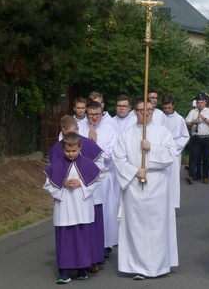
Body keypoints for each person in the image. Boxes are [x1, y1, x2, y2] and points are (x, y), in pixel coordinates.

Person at [112, 98, 178, 280]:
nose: (147, 113)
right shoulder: (126, 134)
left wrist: (152, 148)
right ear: (135, 112)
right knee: (137, 227)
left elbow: (171, 155)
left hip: (157, 186)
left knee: (157, 227)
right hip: (135, 186)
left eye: (149, 109)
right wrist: (134, 171)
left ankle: (158, 265)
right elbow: (118, 158)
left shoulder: (162, 132)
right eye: (142, 110)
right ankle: (138, 266)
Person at [43, 132, 103, 284]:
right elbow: (48, 184)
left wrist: (81, 184)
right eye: (68, 151)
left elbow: (96, 181)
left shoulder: (88, 164)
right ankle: (64, 272)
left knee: (82, 239)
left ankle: (82, 270)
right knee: (65, 241)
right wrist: (61, 184)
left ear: (80, 147)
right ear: (63, 148)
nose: (71, 154)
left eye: (74, 151)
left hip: (82, 207)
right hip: (65, 208)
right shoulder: (56, 165)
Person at [81, 101, 119, 259]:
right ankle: (87, 244)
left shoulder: (110, 129)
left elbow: (111, 154)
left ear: (102, 113)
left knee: (104, 212)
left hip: (102, 177)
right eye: (90, 115)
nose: (94, 118)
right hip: (83, 178)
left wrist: (95, 143)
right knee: (86, 212)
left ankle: (104, 244)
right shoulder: (79, 127)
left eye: (97, 114)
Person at [162, 94, 190, 208]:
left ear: (173, 105)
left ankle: (172, 205)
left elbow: (185, 136)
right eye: (165, 108)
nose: (167, 110)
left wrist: (172, 146)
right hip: (160, 151)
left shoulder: (179, 119)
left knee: (173, 179)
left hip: (174, 152)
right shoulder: (159, 117)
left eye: (169, 107)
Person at [185, 93, 209, 184]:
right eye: (198, 102)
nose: (200, 104)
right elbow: (186, 123)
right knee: (194, 157)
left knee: (206, 157)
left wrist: (204, 118)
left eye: (201, 102)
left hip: (207, 137)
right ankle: (191, 175)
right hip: (196, 137)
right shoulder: (193, 112)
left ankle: (205, 176)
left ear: (205, 102)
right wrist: (193, 122)